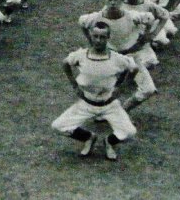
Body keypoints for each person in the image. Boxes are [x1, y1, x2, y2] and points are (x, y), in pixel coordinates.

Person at [51, 21, 139, 160]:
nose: (98, 40)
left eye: (102, 37)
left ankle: (109, 142)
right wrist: (74, 85)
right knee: (58, 126)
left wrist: (121, 88)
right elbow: (65, 63)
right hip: (86, 103)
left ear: (108, 38)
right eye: (95, 36)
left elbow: (133, 68)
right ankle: (88, 138)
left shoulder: (116, 58)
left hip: (109, 105)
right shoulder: (80, 55)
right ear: (90, 36)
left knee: (129, 132)